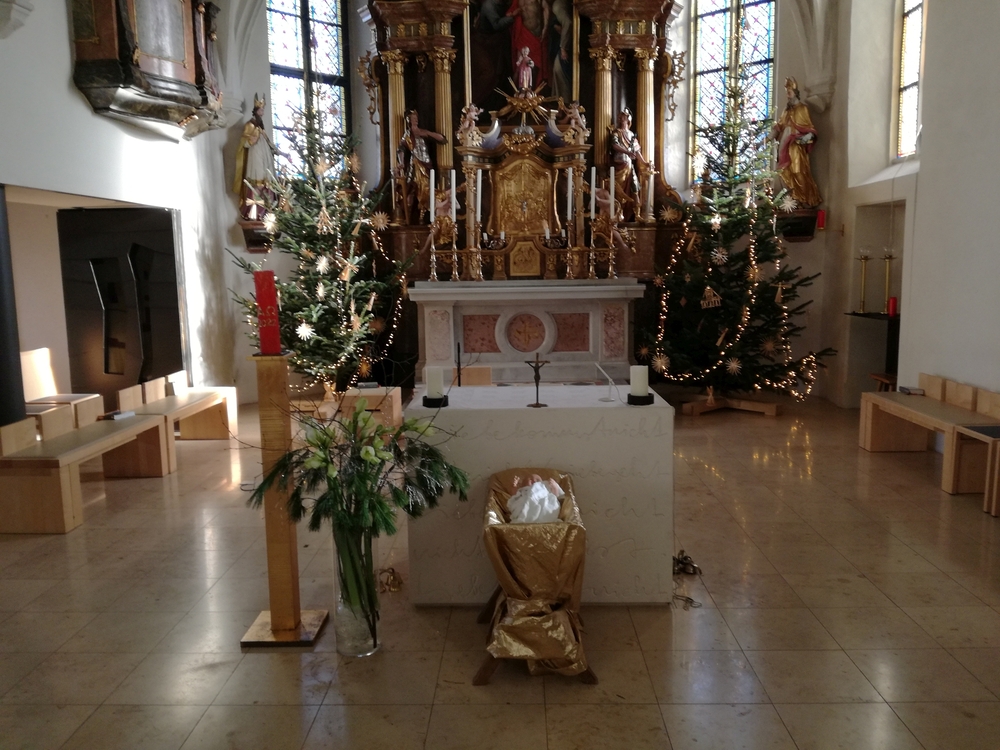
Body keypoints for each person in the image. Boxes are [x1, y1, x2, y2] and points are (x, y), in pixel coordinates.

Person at [771, 77, 822, 207]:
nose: (788, 95)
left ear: (795, 92)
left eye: (789, 92)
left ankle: (804, 200)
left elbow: (810, 128)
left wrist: (806, 137)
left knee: (798, 172)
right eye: (787, 92)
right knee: (784, 172)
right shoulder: (786, 110)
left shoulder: (803, 108)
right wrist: (764, 141)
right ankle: (792, 199)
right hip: (784, 145)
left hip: (796, 145)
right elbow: (778, 127)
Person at [397, 110, 446, 224]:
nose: (416, 120)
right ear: (408, 120)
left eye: (416, 118)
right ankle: (409, 217)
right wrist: (401, 162)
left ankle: (423, 216)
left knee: (426, 190)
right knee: (412, 188)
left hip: (426, 164)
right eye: (413, 118)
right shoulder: (407, 134)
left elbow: (442, 139)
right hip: (415, 164)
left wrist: (428, 133)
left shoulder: (423, 132)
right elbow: (401, 149)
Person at [233, 95, 278, 220]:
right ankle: (255, 213)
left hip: (265, 156)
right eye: (261, 110)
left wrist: (276, 150)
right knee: (257, 182)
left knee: (267, 181)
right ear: (256, 111)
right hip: (255, 157)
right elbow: (244, 142)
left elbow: (267, 141)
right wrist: (251, 140)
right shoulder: (250, 125)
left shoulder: (260, 126)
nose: (262, 112)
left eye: (263, 110)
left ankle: (267, 211)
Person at [609, 109, 647, 221]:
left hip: (629, 165)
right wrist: (627, 152)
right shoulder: (616, 133)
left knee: (634, 187)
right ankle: (618, 213)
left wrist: (644, 162)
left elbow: (637, 151)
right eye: (620, 117)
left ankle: (637, 214)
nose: (622, 119)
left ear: (628, 119)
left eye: (624, 117)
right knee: (619, 190)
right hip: (619, 164)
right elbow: (614, 145)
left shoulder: (631, 135)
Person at [506, 0, 550, 88]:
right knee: (520, 66)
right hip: (523, 34)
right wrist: (514, 14)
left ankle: (533, 91)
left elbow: (546, 8)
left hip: (536, 36)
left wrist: (545, 27)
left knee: (536, 66)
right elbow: (509, 14)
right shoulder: (517, 0)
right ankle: (516, 92)